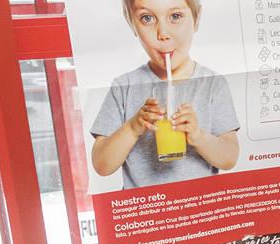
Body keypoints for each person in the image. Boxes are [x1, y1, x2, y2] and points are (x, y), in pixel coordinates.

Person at [91, 0, 239, 188]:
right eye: (147, 18)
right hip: (148, 212)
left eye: (175, 16)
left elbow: (229, 158)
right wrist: (133, 127)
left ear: (196, 19)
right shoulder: (124, 87)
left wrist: (198, 136)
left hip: (199, 208)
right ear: (131, 24)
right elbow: (102, 165)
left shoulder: (212, 84)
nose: (163, 34)